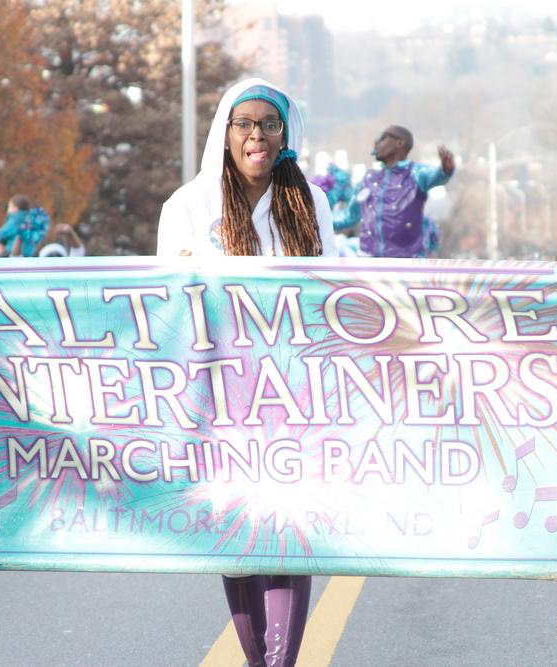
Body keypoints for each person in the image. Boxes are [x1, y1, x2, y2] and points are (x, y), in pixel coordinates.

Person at [157, 78, 336, 666]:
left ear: (287, 134)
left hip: (294, 395)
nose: (257, 135)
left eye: (270, 124)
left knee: (287, 532)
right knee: (239, 540)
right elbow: (161, 305)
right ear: (225, 132)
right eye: (245, 124)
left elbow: (330, 295)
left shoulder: (312, 203)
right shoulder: (188, 206)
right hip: (218, 399)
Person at [333, 125, 454, 257]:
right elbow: (350, 216)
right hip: (368, 261)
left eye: (383, 138)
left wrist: (445, 170)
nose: (376, 143)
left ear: (400, 143)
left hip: (405, 263)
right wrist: (317, 220)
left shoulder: (415, 173)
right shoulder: (369, 178)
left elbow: (435, 176)